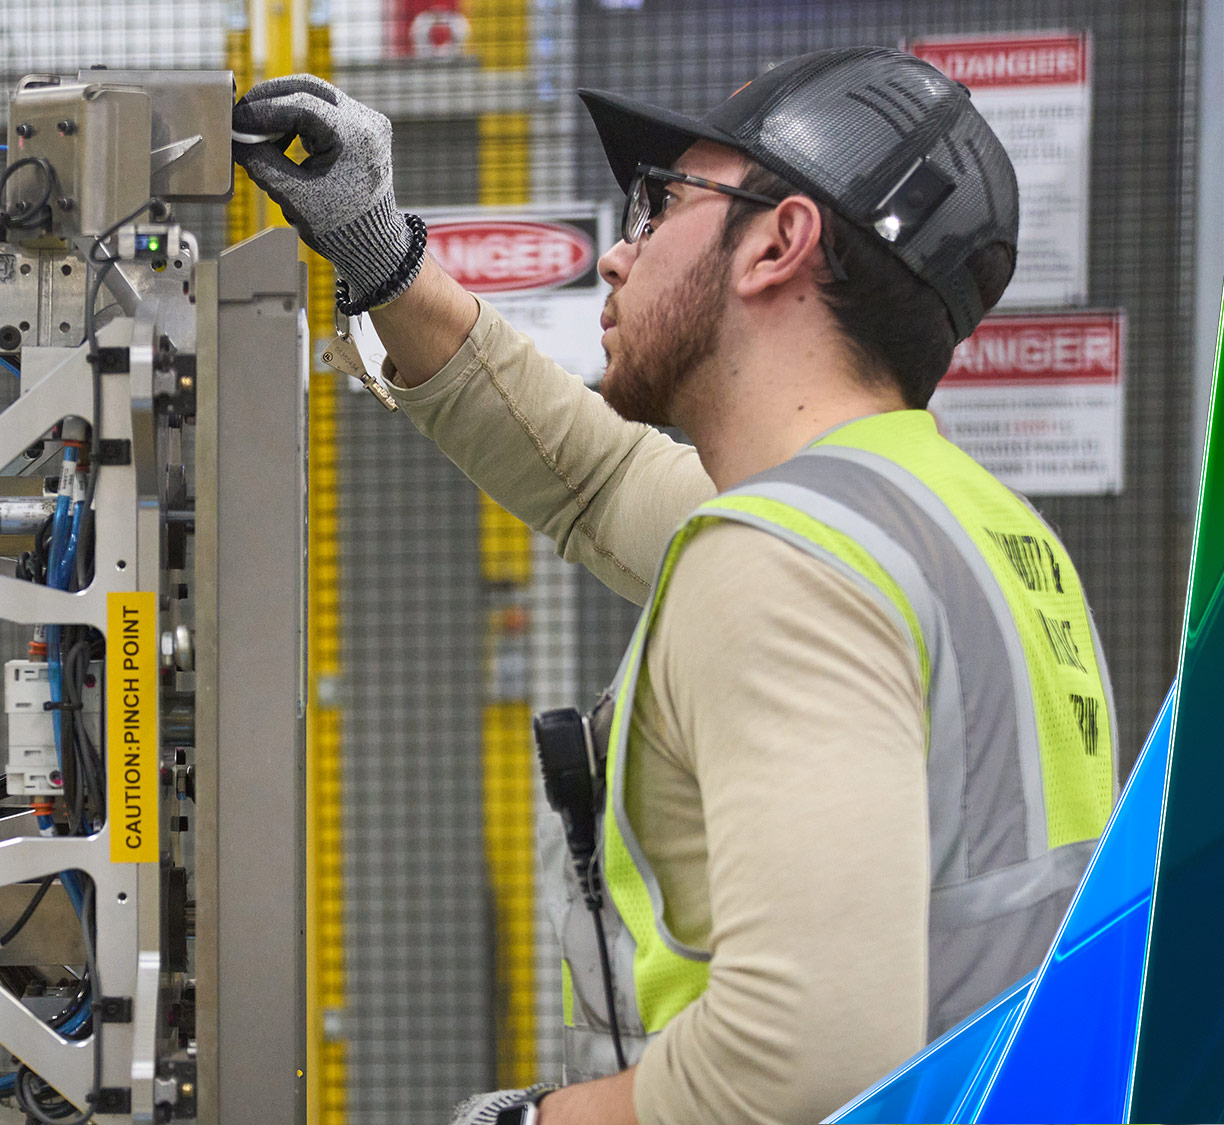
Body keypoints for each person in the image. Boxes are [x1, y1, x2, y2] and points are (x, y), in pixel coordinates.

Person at [232, 46, 1118, 1125]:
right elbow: (594, 473)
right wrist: (379, 254)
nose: (614, 256)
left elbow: (803, 1060)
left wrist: (528, 1124)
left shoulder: (785, 568)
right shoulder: (957, 527)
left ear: (778, 243)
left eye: (658, 206)